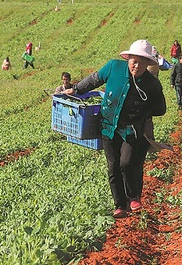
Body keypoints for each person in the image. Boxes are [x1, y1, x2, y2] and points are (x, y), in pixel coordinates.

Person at [67, 39, 167, 219]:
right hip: (108, 127)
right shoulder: (114, 67)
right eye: (133, 61)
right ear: (128, 59)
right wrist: (76, 89)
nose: (136, 66)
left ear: (147, 64)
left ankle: (133, 196)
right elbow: (95, 79)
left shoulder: (152, 84)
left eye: (141, 62)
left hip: (132, 130)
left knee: (127, 163)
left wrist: (143, 113)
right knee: (113, 167)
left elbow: (160, 109)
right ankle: (120, 205)